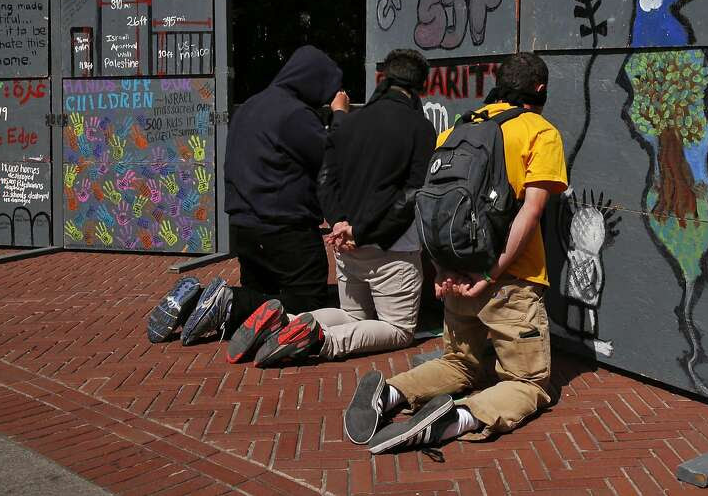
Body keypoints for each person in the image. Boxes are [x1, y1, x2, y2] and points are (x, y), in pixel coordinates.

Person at [344, 52, 567, 453]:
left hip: (455, 274)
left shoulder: (458, 130)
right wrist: (491, 273)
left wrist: (444, 272)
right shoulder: (539, 130)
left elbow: (432, 206)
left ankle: (391, 394)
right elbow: (530, 212)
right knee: (528, 383)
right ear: (539, 89)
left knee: (459, 363)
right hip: (509, 281)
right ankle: (457, 418)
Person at [227, 49, 437, 367]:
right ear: (419, 86)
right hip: (388, 245)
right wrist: (364, 231)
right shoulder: (418, 127)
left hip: (341, 244)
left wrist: (339, 222)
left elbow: (326, 177)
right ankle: (321, 338)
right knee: (399, 330)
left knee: (351, 314)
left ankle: (287, 319)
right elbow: (411, 193)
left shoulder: (347, 124)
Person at [146, 46, 349, 345]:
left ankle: (199, 302)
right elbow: (333, 156)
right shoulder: (294, 114)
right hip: (285, 227)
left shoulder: (251, 107)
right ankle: (226, 301)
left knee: (263, 300)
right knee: (309, 304)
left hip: (245, 225)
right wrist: (340, 114)